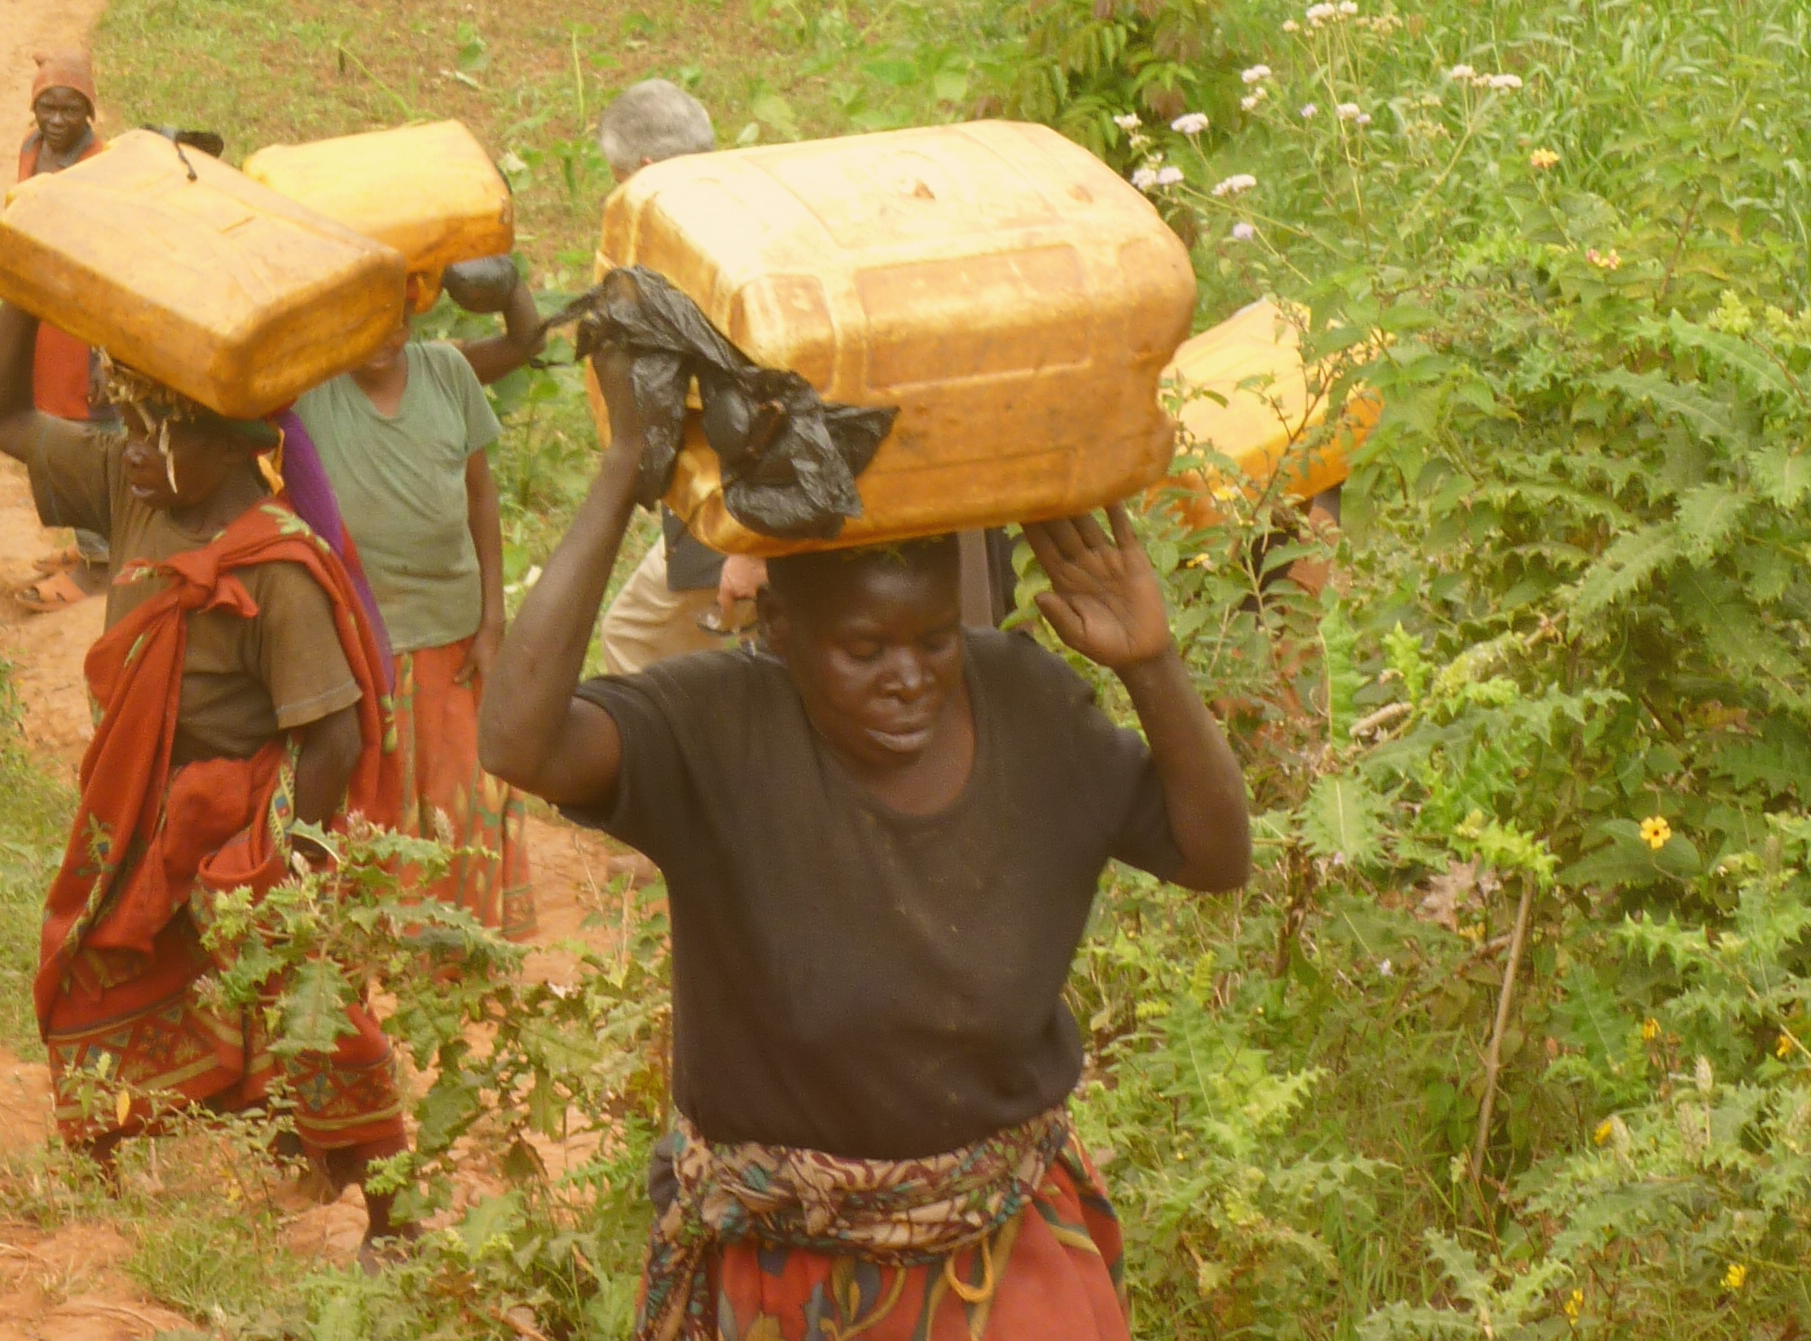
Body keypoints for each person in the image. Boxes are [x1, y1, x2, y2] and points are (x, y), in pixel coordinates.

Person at [479, 341, 1255, 1338]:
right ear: (781, 633)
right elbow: (519, 740)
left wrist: (1152, 665)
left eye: (934, 640)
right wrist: (627, 466)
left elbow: (1215, 857)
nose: (910, 677)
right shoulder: (718, 729)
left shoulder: (1027, 702)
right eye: (864, 650)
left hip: (1002, 1261)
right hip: (794, 1282)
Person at [0, 301, 416, 1245]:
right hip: (135, 807)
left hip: (243, 819)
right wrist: (27, 290)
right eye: (127, 427)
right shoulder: (132, 491)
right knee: (87, 961)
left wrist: (287, 875)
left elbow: (332, 734)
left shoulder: (279, 565)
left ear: (231, 446)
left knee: (308, 1006)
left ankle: (394, 1218)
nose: (131, 449)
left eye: (158, 435)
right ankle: (96, 1185)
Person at [289, 272, 550, 937]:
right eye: (364, 321)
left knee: (461, 800)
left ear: (413, 315)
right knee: (380, 807)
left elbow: (481, 496)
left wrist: (492, 622)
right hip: (364, 644)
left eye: (396, 319)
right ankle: (384, 951)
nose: (383, 337)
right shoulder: (310, 391)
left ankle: (466, 950)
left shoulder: (448, 374)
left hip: (453, 635)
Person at [589, 79, 772, 676]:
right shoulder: (758, 201)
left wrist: (750, 549)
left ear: (644, 173)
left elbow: (781, 399)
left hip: (754, 512)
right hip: (723, 499)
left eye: (620, 186)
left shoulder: (721, 253)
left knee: (637, 642)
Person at [12, 51, 115, 612]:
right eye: (47, 106)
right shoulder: (31, 149)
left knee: (86, 441)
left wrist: (103, 356)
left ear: (89, 112)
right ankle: (88, 546)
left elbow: (106, 261)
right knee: (51, 433)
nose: (56, 119)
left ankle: (101, 565)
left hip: (84, 322)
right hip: (43, 316)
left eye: (70, 109)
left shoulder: (100, 164)